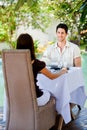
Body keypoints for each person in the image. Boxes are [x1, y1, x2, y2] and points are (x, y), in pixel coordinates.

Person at [16, 33, 68, 106]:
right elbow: (51, 76)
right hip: (35, 100)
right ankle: (59, 115)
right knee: (50, 93)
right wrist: (62, 72)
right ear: (31, 46)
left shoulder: (13, 63)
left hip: (17, 99)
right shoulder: (36, 63)